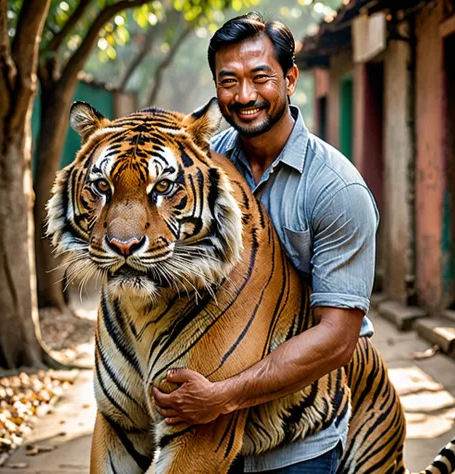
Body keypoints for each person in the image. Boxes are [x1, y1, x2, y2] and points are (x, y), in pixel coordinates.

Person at [153, 12, 378, 473]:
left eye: (261, 77)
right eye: (228, 81)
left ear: (290, 78)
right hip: (206, 439)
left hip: (296, 441)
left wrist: (222, 397)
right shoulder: (201, 169)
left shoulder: (336, 190)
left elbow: (337, 339)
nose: (245, 95)